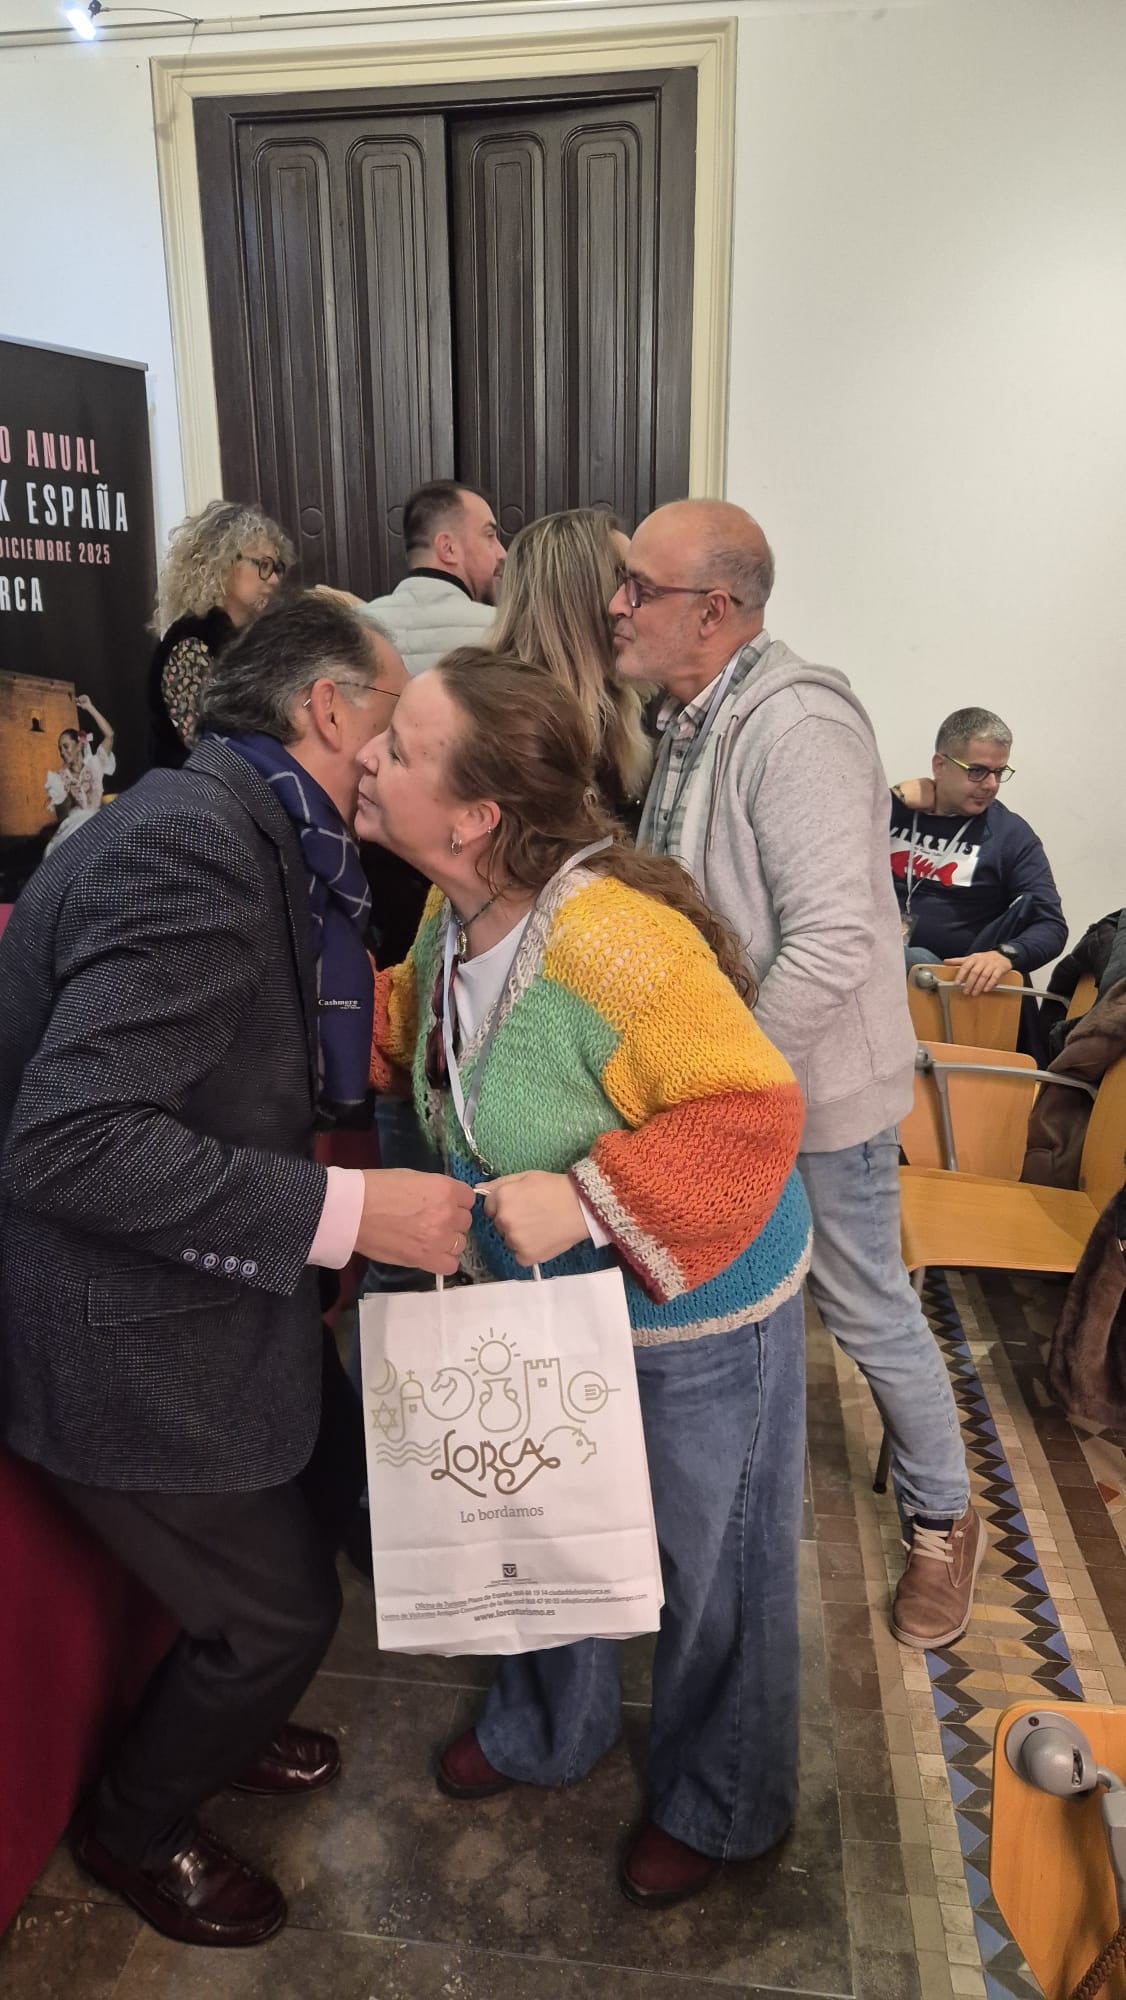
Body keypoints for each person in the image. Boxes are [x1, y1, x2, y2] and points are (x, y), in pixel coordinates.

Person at [0, 595, 474, 1950]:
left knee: (333, 1511)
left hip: (217, 1286)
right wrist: (347, 1212)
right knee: (279, 1616)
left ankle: (221, 1725)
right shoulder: (196, 854)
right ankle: (137, 1824)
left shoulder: (246, 826)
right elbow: (71, 1146)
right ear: (329, 712)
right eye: (399, 725)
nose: (402, 761)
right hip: (119, 1331)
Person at [354, 650, 812, 1908]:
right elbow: (428, 1032)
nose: (368, 760)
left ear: (477, 814)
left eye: (399, 749)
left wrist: (593, 1194)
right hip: (543, 1294)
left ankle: (723, 1803)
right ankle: (545, 1727)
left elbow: (754, 1109)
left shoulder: (617, 943)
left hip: (695, 1306)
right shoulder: (457, 906)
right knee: (538, 1513)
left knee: (711, 1565)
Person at [609, 499, 983, 1651]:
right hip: (740, 1086)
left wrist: (726, 1076)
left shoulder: (799, 725)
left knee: (868, 1307)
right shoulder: (688, 716)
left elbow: (832, 942)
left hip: (812, 1095)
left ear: (713, 610)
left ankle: (943, 1517)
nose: (616, 606)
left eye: (639, 588)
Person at [490, 508, 652, 826]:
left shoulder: (617, 703)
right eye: (627, 579)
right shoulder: (512, 730)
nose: (638, 599)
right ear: (583, 597)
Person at [890, 707, 1066, 996]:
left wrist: (1004, 955)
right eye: (977, 771)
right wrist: (892, 799)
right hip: (864, 959)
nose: (991, 785)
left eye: (999, 772)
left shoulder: (1010, 834)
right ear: (940, 765)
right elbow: (827, 846)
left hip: (953, 990)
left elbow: (1051, 925)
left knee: (914, 960)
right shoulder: (893, 813)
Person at [148, 498, 293, 768]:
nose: (273, 579)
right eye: (263, 565)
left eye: (276, 568)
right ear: (223, 563)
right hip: (196, 800)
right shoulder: (191, 644)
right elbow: (208, 748)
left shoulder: (254, 640)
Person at [357, 480, 503, 675]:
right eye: (489, 535)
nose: (502, 553)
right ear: (447, 548)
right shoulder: (502, 632)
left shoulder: (352, 628)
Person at [43, 692, 115, 854]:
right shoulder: (59, 778)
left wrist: (89, 707)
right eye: (60, 748)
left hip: (99, 824)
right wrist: (68, 799)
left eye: (66, 746)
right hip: (73, 832)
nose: (62, 752)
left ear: (78, 745)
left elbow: (109, 735)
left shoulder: (95, 765)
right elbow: (61, 816)